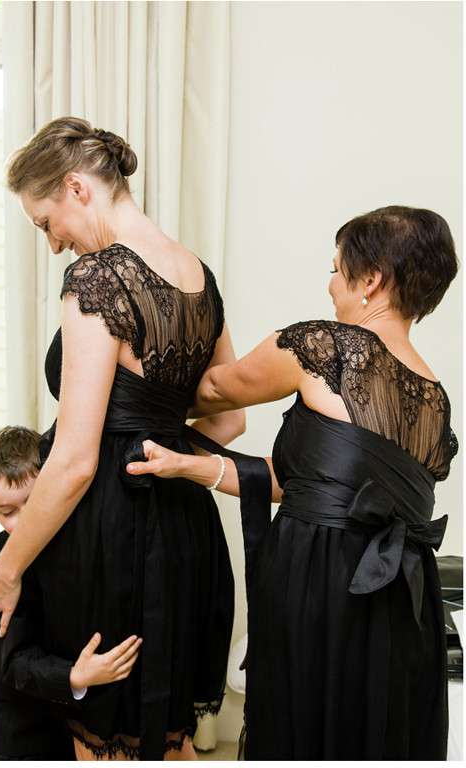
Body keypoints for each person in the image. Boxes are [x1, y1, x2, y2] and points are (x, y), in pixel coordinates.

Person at [126, 205, 459, 760]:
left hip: (319, 578)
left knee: (301, 722)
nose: (330, 284)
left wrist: (132, 381)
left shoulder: (324, 347)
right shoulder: (435, 399)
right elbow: (313, 485)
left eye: (336, 269)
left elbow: (212, 391)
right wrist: (189, 466)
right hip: (401, 597)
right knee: (369, 726)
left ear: (371, 279)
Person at [0, 117, 245, 760]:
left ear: (76, 188)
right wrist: (158, 441)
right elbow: (228, 420)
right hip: (186, 527)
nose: (53, 244)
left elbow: (73, 462)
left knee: (106, 736)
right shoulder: (198, 275)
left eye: (46, 223)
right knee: (167, 730)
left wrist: (7, 571)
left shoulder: (98, 277)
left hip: (112, 535)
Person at [0, 425, 142, 760]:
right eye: (8, 512)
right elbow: (15, 661)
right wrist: (74, 676)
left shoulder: (85, 539)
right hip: (24, 728)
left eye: (34, 502)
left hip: (81, 721)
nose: (25, 520)